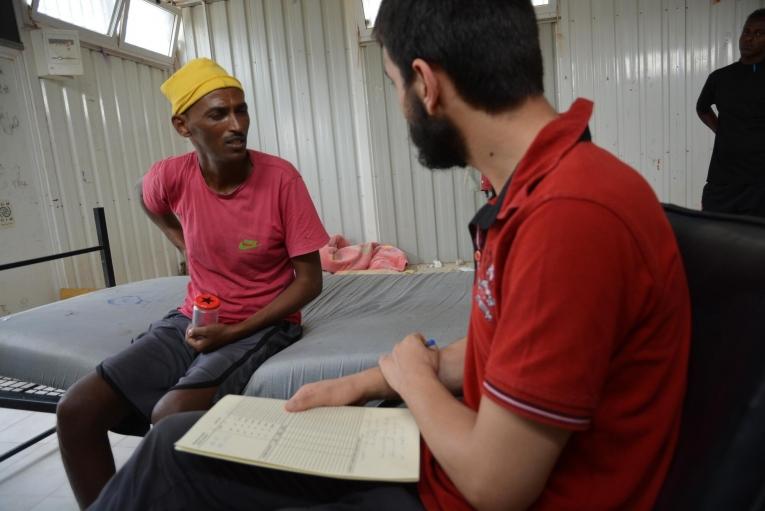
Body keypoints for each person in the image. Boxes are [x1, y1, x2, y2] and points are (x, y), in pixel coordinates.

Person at [90, 1, 691, 510]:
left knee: (172, 464)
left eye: (394, 84)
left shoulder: (569, 217)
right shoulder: (540, 188)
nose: (402, 104)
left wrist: (412, 378)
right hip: (439, 463)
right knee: (182, 440)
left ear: (426, 84)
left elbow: (497, 484)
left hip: (462, 491)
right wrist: (362, 381)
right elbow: (501, 355)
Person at [56, 58, 329, 509]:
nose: (237, 124)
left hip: (263, 323)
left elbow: (309, 283)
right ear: (184, 126)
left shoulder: (281, 179)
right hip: (194, 316)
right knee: (76, 409)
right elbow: (146, 195)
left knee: (170, 416)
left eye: (241, 111)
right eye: (218, 114)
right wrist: (177, 238)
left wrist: (231, 333)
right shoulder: (172, 176)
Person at [697, 9, 765, 216]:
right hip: (722, 181)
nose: (749, 39)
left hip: (760, 184)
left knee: (754, 244)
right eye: (746, 32)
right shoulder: (720, 77)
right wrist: (722, 131)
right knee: (713, 236)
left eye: (759, 34)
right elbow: (702, 108)